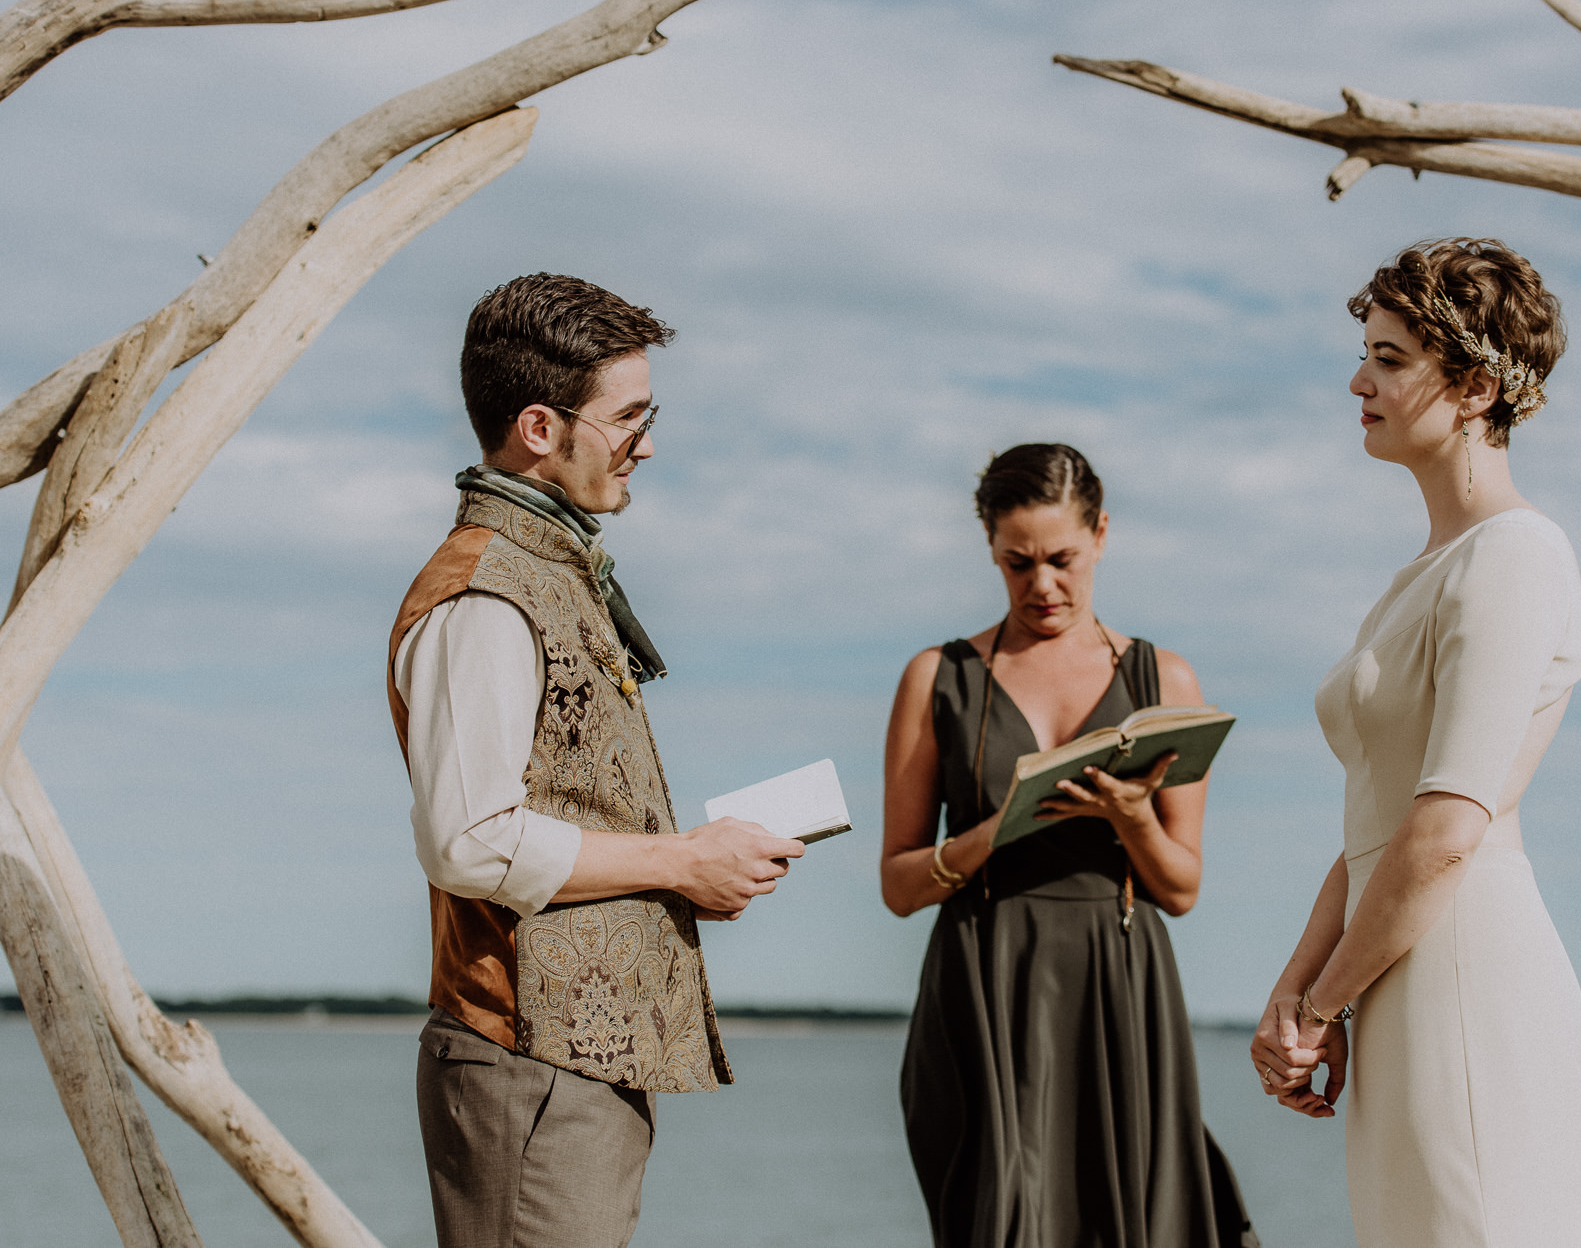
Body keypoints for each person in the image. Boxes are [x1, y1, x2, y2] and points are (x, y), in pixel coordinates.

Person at [387, 273, 805, 1248]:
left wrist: (695, 867)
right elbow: (468, 842)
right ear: (540, 426)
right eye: (628, 418)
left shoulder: (543, 570)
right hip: (524, 1055)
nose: (645, 443)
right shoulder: (487, 596)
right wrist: (679, 861)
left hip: (567, 1065)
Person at [1249, 239, 1581, 1245]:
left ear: (1472, 386)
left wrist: (1324, 1006)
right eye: (1366, 355)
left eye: (1388, 359)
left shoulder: (1516, 555)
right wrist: (1295, 992)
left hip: (1462, 966)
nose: (1357, 381)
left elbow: (1445, 835)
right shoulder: (1423, 571)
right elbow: (1375, 829)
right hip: (1394, 971)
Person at [883, 443, 1260, 1248]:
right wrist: (996, 830)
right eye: (1018, 564)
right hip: (984, 980)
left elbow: (1183, 889)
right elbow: (899, 883)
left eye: (1062, 559)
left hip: (1117, 979)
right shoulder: (936, 676)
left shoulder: (1167, 680)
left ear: (1102, 535)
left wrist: (1129, 817)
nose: (1043, 586)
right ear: (990, 548)